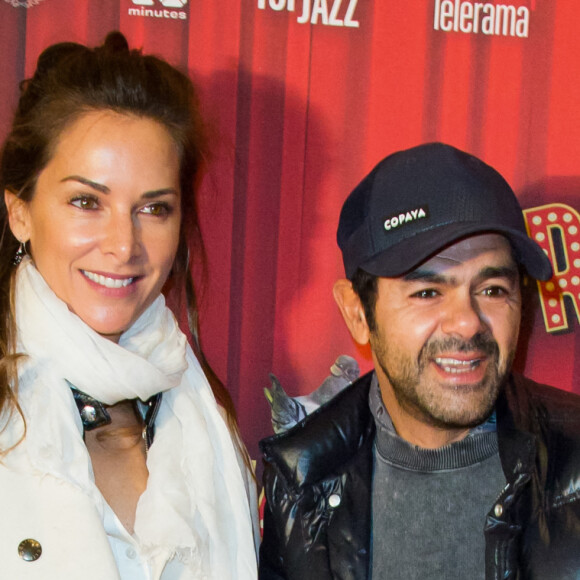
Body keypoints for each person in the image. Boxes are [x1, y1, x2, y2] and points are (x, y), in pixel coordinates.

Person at [0, 32, 258, 579]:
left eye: (153, 209)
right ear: (20, 211)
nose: (124, 245)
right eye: (86, 202)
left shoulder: (201, 413)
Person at [259, 142, 580, 579]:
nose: (467, 323)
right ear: (357, 313)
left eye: (493, 290)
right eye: (427, 293)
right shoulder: (301, 477)